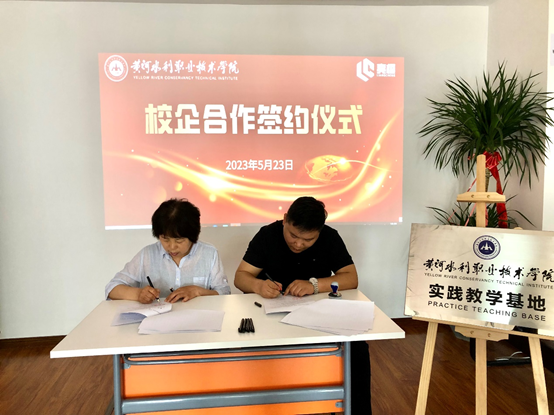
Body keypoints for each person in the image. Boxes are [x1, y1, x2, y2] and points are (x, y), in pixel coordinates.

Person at [234, 196, 372, 414]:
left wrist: (314, 285)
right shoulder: (267, 235)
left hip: (317, 317)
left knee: (357, 350)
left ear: (319, 231)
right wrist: (258, 285)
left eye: (308, 239)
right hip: (271, 318)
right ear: (285, 219)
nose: (298, 244)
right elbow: (241, 277)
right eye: (293, 235)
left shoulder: (330, 237)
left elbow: (350, 278)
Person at [105, 198, 230, 303]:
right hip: (156, 321)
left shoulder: (209, 254)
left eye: (179, 240)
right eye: (165, 239)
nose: (171, 246)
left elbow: (224, 292)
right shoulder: (147, 255)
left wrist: (198, 291)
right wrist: (138, 294)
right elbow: (112, 288)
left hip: (199, 320)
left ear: (193, 236)